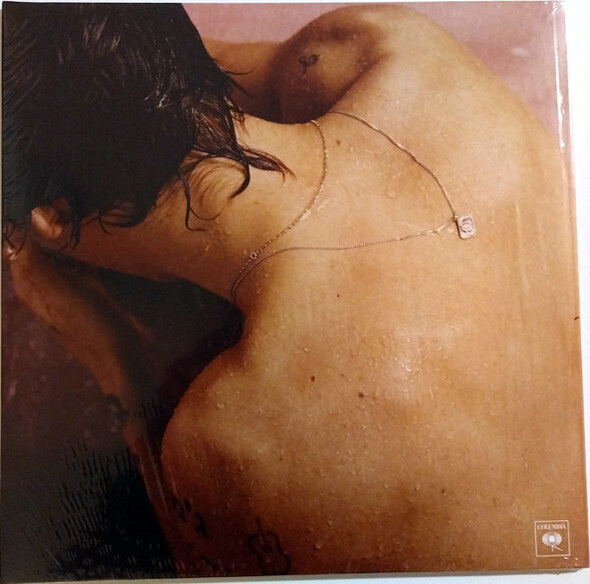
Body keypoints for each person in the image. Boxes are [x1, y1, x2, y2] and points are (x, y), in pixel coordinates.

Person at [3, 2, 587, 577]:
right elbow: (127, 59)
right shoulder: (387, 48)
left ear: (50, 218)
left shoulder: (236, 435)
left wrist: (112, 355)